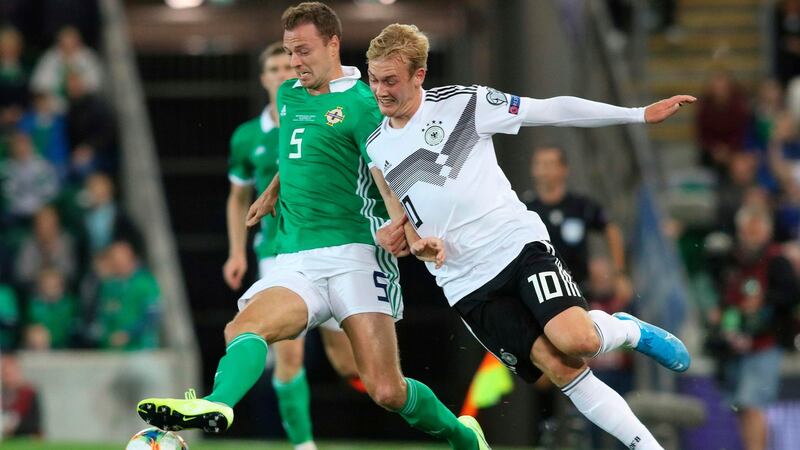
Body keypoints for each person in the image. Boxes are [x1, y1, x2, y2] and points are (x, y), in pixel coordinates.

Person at [138, 4, 489, 450]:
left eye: (303, 51)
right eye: (289, 52)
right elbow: (298, 151)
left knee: (386, 389)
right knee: (241, 328)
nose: (295, 62)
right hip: (297, 259)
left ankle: (464, 436)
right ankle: (218, 404)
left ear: (333, 44)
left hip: (357, 257)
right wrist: (271, 191)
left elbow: (386, 174)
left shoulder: (363, 104)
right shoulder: (290, 96)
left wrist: (411, 233)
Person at [363, 23, 694, 450]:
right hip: (465, 284)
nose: (380, 91)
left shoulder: (466, 104)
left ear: (419, 75)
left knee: (579, 341)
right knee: (561, 368)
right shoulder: (377, 149)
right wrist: (412, 243)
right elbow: (407, 227)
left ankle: (625, 330)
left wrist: (635, 114)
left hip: (516, 246)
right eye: (373, 79)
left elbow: (552, 108)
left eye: (390, 80)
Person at [223, 41, 360, 450]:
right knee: (288, 355)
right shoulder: (248, 137)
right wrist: (235, 252)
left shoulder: (321, 115)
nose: (285, 71)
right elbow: (237, 198)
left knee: (348, 363)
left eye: (289, 64)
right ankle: (304, 445)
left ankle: (401, 401)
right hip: (278, 253)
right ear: (264, 78)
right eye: (275, 67)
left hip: (333, 246)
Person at [708, 205, 798, 450]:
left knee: (753, 403)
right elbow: (726, 293)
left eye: (756, 231)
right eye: (748, 231)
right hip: (737, 344)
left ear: (767, 232)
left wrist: (764, 300)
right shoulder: (734, 259)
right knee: (741, 406)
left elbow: (791, 294)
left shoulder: (777, 260)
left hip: (765, 343)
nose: (751, 236)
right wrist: (722, 311)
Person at [526, 145, 628, 289]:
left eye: (549, 164)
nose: (543, 170)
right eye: (538, 164)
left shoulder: (580, 206)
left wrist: (618, 274)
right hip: (538, 291)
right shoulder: (525, 209)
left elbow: (611, 230)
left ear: (564, 169)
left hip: (579, 289)